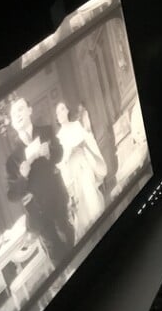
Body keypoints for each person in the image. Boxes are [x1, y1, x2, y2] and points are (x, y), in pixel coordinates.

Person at [6, 97, 74, 265]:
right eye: (14, 113)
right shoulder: (12, 159)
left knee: (72, 242)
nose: (17, 114)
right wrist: (23, 177)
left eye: (20, 109)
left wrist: (49, 151)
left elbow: (60, 154)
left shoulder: (46, 131)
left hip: (58, 201)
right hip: (39, 216)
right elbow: (12, 195)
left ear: (30, 110)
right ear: (12, 123)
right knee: (59, 260)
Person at [55, 101, 107, 242]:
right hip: (73, 172)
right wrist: (69, 153)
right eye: (58, 112)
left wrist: (84, 141)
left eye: (63, 109)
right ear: (57, 118)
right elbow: (60, 161)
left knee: (91, 195)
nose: (61, 113)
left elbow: (88, 139)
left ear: (67, 111)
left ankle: (102, 227)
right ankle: (93, 236)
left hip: (84, 165)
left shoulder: (76, 125)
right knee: (82, 203)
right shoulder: (58, 137)